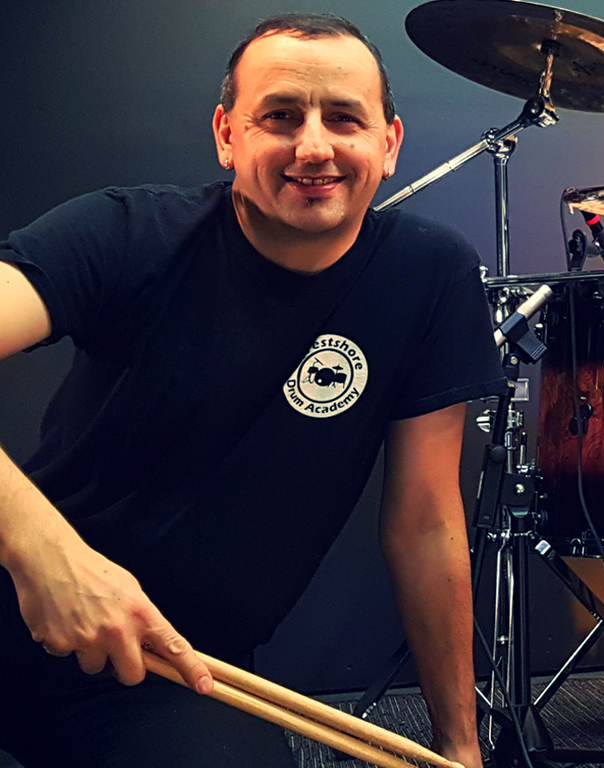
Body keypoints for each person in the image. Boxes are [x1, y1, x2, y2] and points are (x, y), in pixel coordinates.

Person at [0, 13, 505, 768]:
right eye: (280, 116)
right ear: (227, 135)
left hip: (175, 666)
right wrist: (45, 553)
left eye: (344, 118)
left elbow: (426, 524)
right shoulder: (126, 232)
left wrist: (459, 745)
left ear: (389, 144)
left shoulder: (429, 276)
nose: (314, 146)